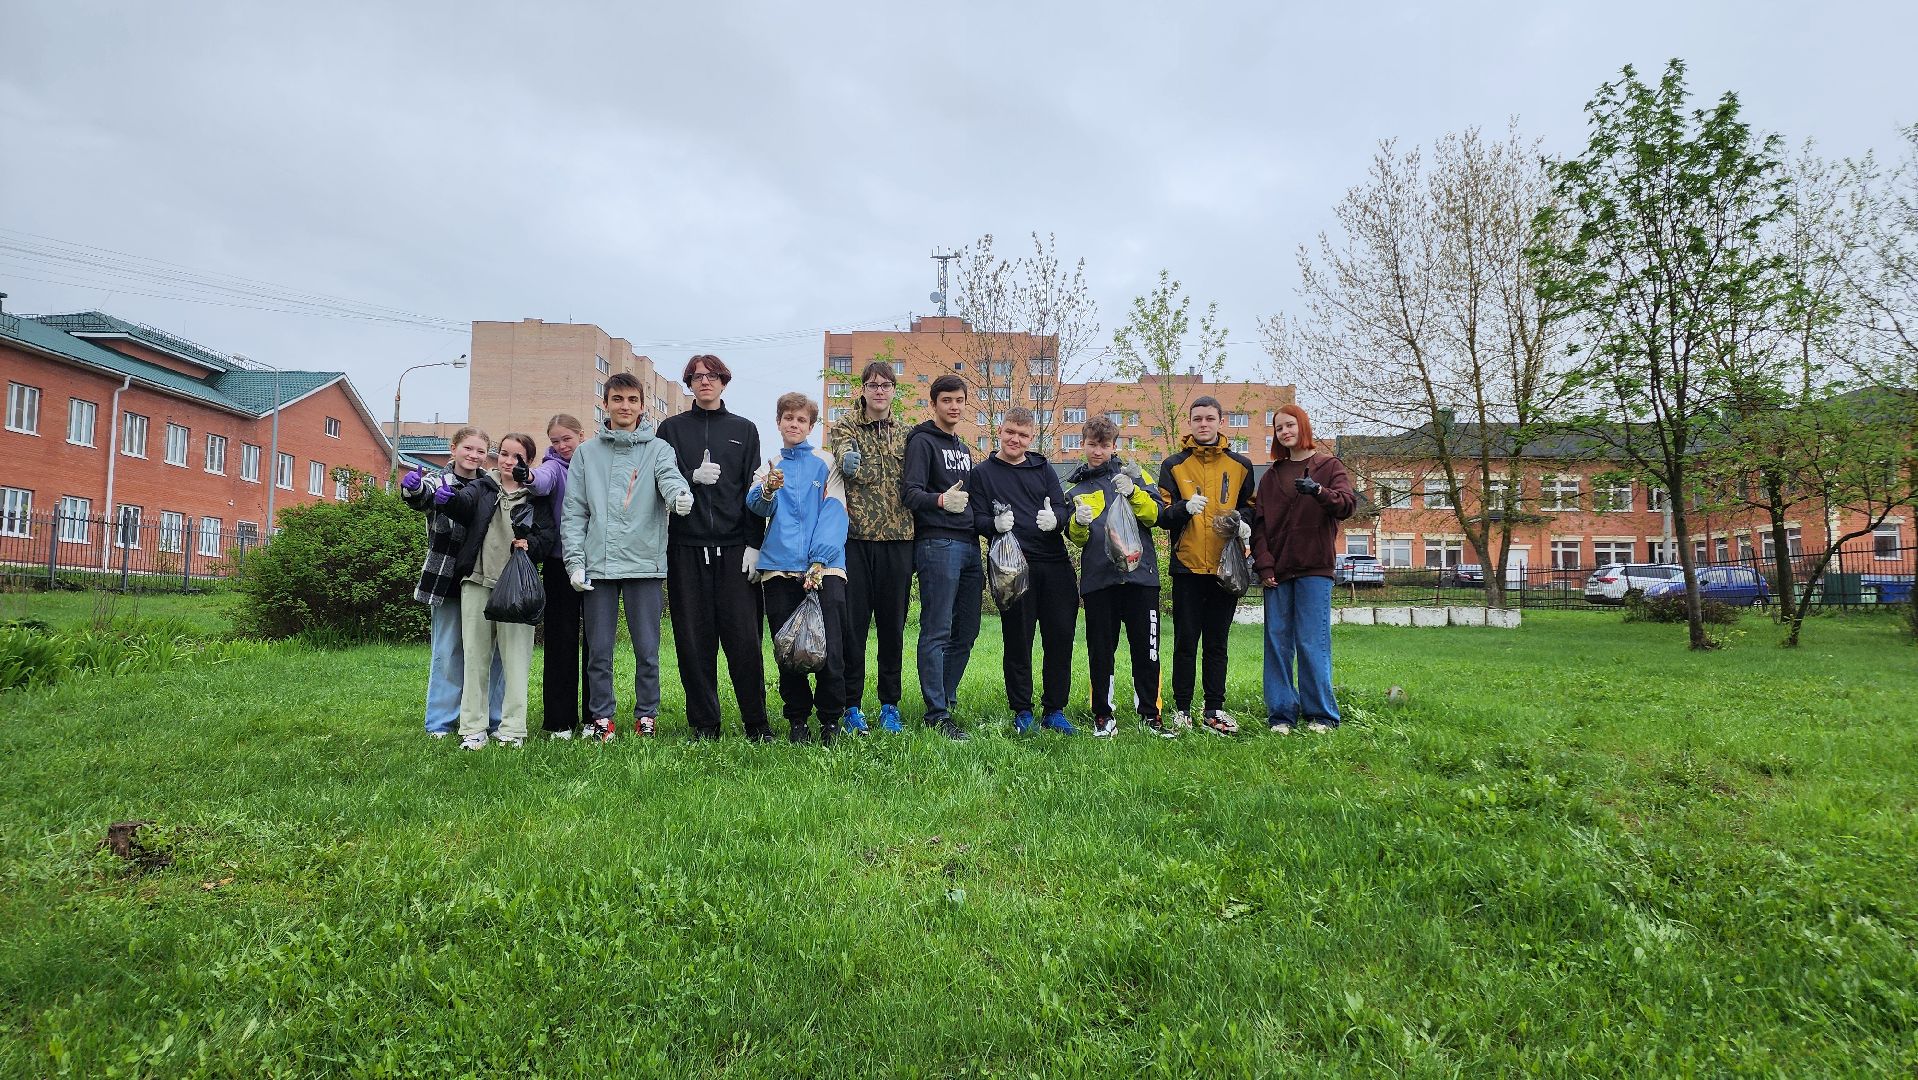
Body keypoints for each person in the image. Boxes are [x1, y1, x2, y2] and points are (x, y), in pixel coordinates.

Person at [561, 372, 695, 742]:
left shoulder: (658, 450)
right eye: (617, 399)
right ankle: (602, 717)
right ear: (605, 404)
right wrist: (574, 562)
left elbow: (669, 479)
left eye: (632, 400)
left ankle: (646, 715)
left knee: (647, 650)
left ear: (642, 405)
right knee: (599, 650)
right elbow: (574, 511)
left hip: (644, 564)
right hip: (598, 566)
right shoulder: (587, 454)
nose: (625, 406)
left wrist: (679, 496)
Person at [656, 354, 772, 741]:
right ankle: (705, 724)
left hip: (734, 547)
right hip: (686, 548)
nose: (704, 382)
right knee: (693, 641)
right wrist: (690, 477)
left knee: (744, 640)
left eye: (712, 376)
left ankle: (756, 722)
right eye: (697, 377)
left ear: (724, 382)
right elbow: (661, 480)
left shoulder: (744, 429)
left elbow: (753, 492)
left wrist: (754, 544)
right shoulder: (671, 429)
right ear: (689, 383)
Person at [965, 408, 1077, 735]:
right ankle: (1022, 710)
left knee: (1060, 638)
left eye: (1023, 435)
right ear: (999, 430)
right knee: (1018, 641)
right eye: (1010, 431)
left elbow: (1060, 507)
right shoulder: (983, 473)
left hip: (1054, 564)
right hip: (1012, 568)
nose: (1016, 439)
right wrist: (993, 525)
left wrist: (1056, 519)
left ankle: (1054, 710)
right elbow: (975, 518)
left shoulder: (1042, 467)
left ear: (1032, 438)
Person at [443, 433, 558, 749]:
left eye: (516, 457)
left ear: (528, 462)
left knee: (516, 662)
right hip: (477, 583)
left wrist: (530, 545)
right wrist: (444, 498)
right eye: (504, 454)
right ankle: (473, 728)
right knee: (475, 660)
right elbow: (461, 506)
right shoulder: (481, 488)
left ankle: (512, 729)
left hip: (517, 589)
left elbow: (546, 537)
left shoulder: (536, 498)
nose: (508, 462)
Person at [747, 393, 850, 744]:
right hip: (778, 570)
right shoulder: (770, 465)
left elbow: (835, 511)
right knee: (789, 650)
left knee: (829, 648)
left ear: (811, 426)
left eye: (801, 420)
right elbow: (756, 507)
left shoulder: (827, 462)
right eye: (788, 418)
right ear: (778, 422)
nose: (794, 424)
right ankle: (797, 720)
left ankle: (831, 721)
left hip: (826, 569)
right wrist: (767, 491)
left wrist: (820, 560)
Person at [1251, 405, 1356, 734]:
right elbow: (1259, 527)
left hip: (1314, 568)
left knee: (1313, 641)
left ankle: (1320, 715)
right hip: (1278, 572)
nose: (1284, 432)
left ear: (1303, 426)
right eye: (1279, 428)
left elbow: (1348, 504)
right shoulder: (1271, 477)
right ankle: (1281, 714)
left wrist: (1320, 492)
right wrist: (1264, 565)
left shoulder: (1328, 466)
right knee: (1277, 641)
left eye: (1289, 425)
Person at [1156, 396, 1256, 736]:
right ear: (1190, 422)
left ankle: (1214, 708)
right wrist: (1184, 508)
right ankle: (1182, 708)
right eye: (1197, 418)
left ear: (1220, 421)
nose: (1203, 424)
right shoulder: (1173, 465)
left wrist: (1246, 522)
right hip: (1187, 567)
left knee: (1217, 642)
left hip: (1225, 569)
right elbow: (1162, 517)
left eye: (1209, 418)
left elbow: (1253, 508)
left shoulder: (1241, 465)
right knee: (1186, 641)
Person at [1065, 416, 1169, 738]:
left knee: (1147, 649)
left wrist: (1135, 491)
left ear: (1114, 446)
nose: (1098, 451)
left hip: (1141, 579)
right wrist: (1079, 523)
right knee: (1100, 650)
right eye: (1092, 444)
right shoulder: (1076, 490)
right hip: (1099, 581)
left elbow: (1157, 516)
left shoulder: (1135, 475)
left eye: (1105, 445)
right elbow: (1077, 540)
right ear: (1083, 444)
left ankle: (1151, 715)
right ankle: (1103, 715)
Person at [399, 427, 503, 739]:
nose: (473, 455)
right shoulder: (436, 480)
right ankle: (440, 721)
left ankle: (492, 718)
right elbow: (421, 498)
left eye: (480, 451)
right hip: (446, 577)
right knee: (448, 650)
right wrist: (412, 488)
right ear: (453, 448)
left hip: (485, 577)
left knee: (492, 653)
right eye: (468, 448)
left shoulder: (492, 485)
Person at [827, 360, 914, 734]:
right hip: (857, 540)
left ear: (894, 390)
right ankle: (851, 705)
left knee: (893, 627)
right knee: (854, 628)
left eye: (886, 384)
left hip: (899, 540)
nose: (879, 390)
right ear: (862, 389)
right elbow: (843, 453)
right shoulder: (846, 426)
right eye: (872, 384)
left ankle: (889, 704)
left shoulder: (908, 434)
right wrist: (847, 461)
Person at [900, 374, 980, 740]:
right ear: (933, 403)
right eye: (946, 399)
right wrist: (940, 500)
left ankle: (946, 696)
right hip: (937, 545)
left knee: (968, 629)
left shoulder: (962, 448)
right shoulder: (922, 442)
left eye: (959, 399)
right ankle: (936, 714)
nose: (954, 405)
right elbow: (910, 493)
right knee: (938, 629)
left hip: (969, 545)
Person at [527, 413, 588, 739]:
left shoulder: (593, 464)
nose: (562, 446)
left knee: (596, 645)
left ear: (581, 435)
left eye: (567, 439)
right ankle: (560, 721)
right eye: (555, 441)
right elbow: (541, 480)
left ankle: (595, 718)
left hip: (596, 566)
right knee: (561, 643)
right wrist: (527, 476)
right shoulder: (552, 467)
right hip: (559, 564)